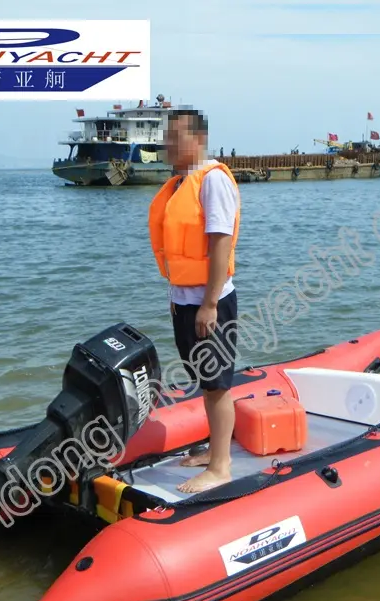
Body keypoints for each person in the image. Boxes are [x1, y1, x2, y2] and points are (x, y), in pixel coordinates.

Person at [148, 109, 240, 493]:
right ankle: (213, 452)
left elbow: (220, 244)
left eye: (175, 137)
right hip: (185, 300)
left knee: (217, 383)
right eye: (166, 137)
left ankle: (221, 467)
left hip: (209, 301)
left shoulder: (213, 180)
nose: (167, 144)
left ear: (197, 140)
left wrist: (209, 303)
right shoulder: (180, 184)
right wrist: (177, 297)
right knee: (204, 380)